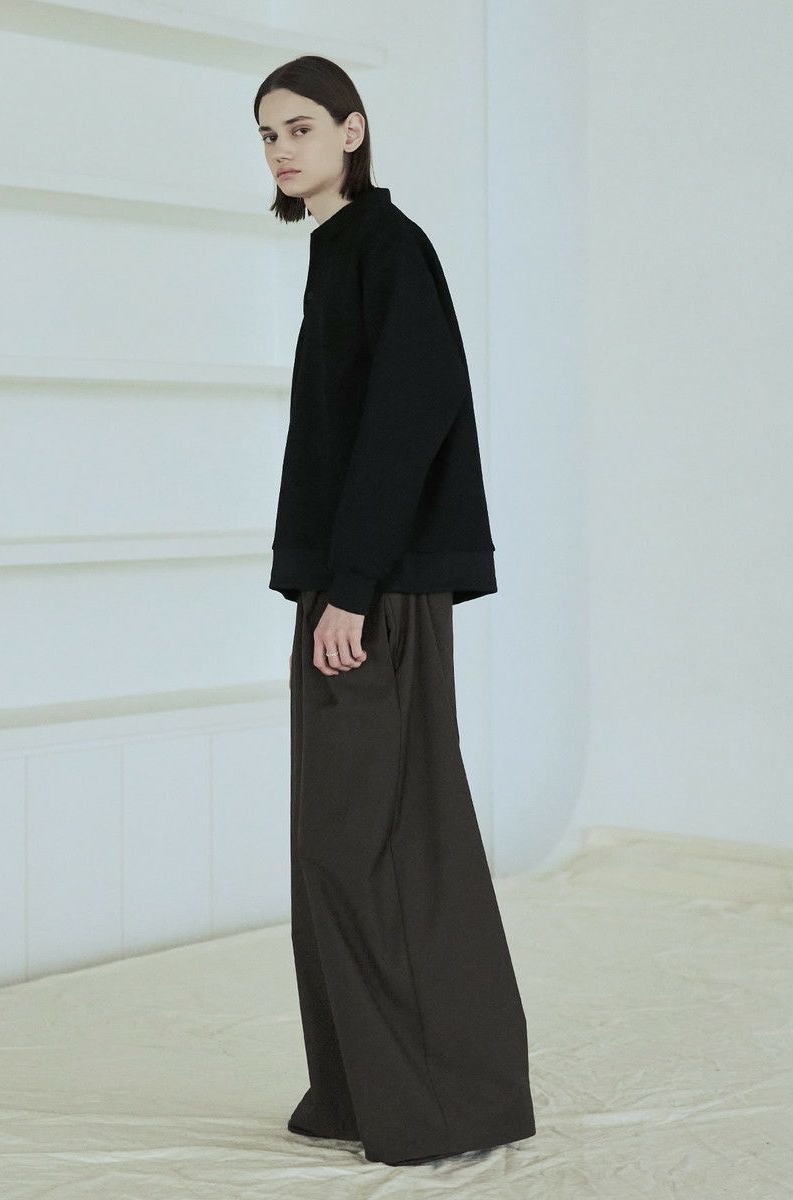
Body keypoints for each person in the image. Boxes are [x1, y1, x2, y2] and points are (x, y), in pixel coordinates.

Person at [255, 55, 536, 1167]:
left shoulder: (386, 246)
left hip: (375, 593)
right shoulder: (341, 249)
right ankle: (363, 1092)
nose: (282, 148)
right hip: (347, 585)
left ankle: (442, 1103)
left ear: (353, 131)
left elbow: (409, 419)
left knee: (381, 842)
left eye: (302, 126)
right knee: (338, 844)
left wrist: (355, 588)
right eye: (267, 133)